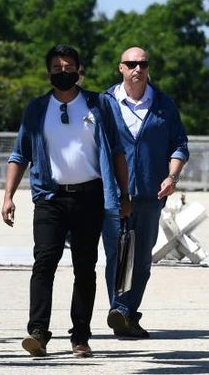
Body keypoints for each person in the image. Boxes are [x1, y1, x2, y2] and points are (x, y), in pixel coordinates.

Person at [1, 44, 131, 358]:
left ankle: (81, 336)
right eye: (57, 68)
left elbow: (116, 152)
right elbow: (19, 155)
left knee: (84, 267)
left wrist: (124, 196)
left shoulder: (99, 104)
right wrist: (8, 196)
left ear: (79, 70)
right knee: (44, 264)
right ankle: (38, 331)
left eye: (69, 67)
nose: (63, 72)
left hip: (90, 196)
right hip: (50, 198)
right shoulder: (36, 109)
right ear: (49, 73)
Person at [101, 46, 189, 338]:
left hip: (152, 194)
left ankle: (125, 312)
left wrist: (172, 176)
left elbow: (179, 145)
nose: (138, 68)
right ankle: (122, 311)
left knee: (141, 259)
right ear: (121, 68)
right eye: (131, 64)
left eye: (143, 63)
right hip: (113, 194)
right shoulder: (105, 103)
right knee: (116, 254)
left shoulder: (164, 105)